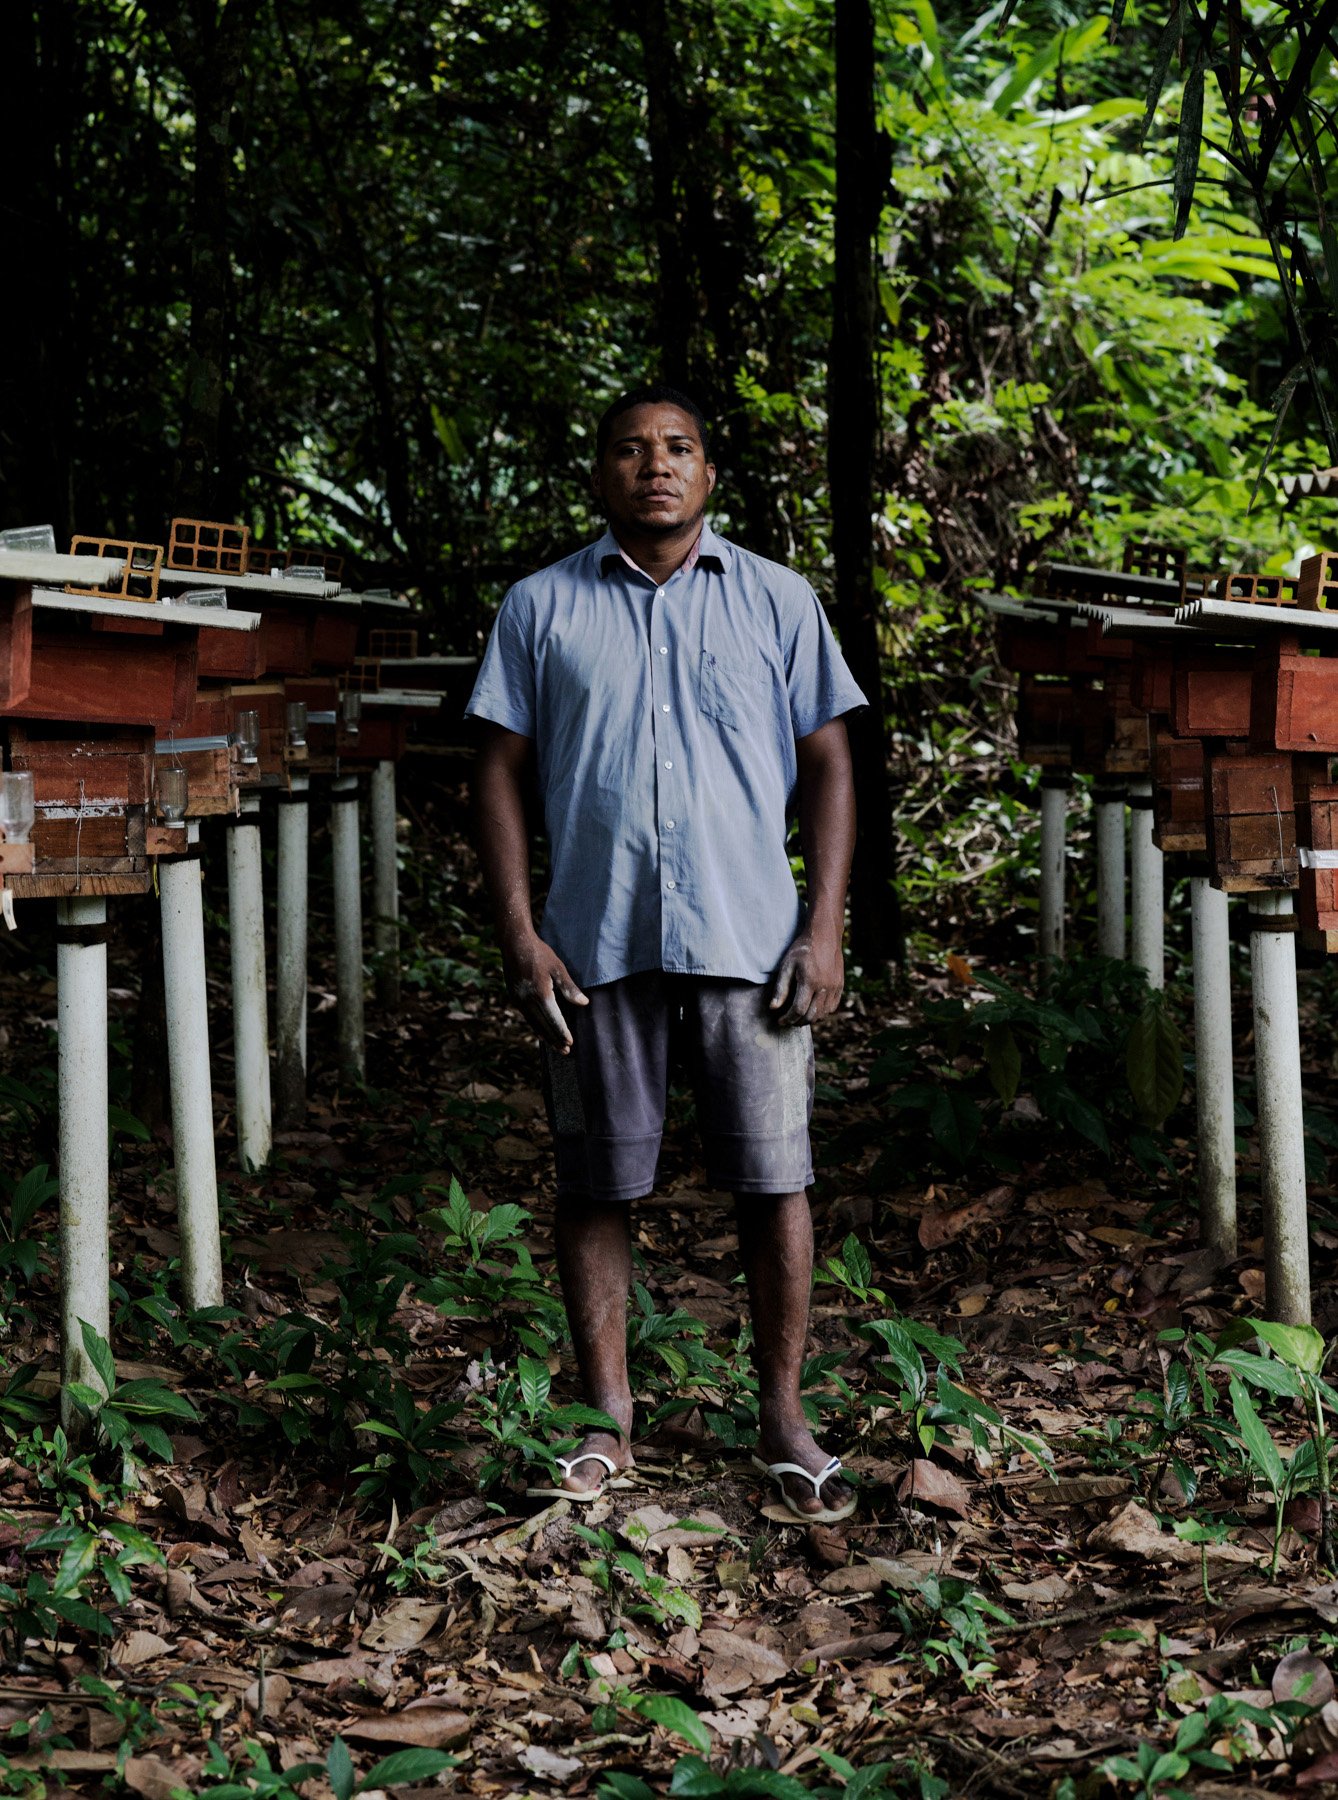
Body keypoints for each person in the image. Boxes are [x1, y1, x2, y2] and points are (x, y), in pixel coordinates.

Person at [466, 383, 866, 1521]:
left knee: (772, 1179)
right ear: (601, 474)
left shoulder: (778, 602)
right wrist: (520, 930)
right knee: (596, 1181)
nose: (657, 466)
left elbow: (831, 762)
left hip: (751, 942)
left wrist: (824, 922)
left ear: (708, 472)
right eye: (633, 451)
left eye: (678, 448)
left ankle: (783, 1419)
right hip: (597, 945)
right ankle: (606, 1422)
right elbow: (494, 766)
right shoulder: (541, 607)